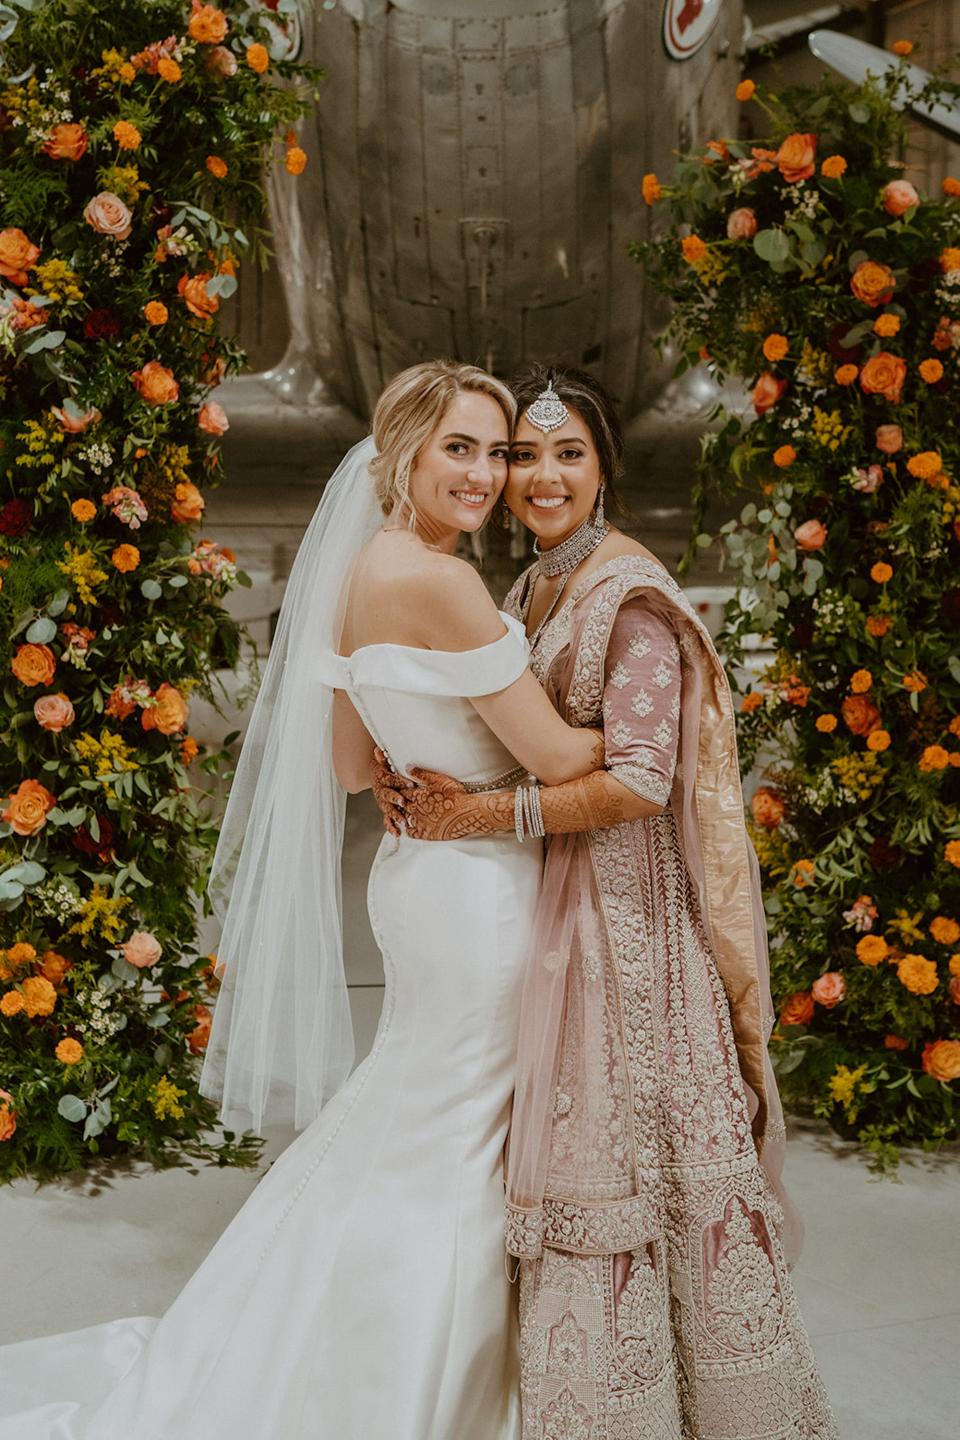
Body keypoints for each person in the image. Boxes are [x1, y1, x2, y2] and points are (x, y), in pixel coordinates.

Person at [0, 361, 604, 1440]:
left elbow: (345, 766)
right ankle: (417, 1391)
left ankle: (318, 1346)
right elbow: (561, 755)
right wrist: (664, 723)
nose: (483, 473)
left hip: (418, 885)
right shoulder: (445, 583)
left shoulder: (358, 570)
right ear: (404, 452)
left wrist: (429, 761)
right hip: (477, 896)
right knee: (456, 1142)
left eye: (497, 449)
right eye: (456, 448)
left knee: (413, 1116)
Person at [373, 365, 839, 1440]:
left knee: (631, 1173)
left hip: (629, 934)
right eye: (520, 453)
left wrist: (479, 816)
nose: (538, 475)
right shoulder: (535, 584)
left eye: (565, 453)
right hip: (555, 910)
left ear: (603, 470)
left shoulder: (629, 597)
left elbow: (637, 780)